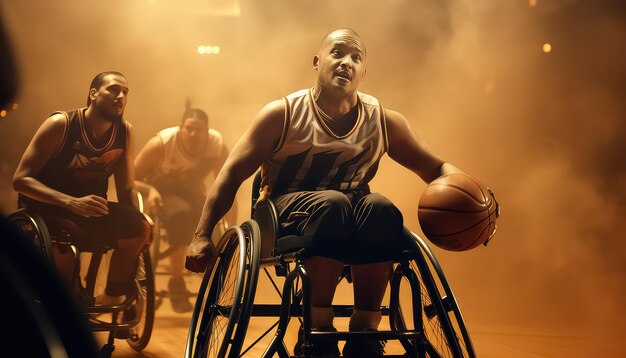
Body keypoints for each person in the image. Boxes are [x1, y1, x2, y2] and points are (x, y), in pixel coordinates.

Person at [186, 29, 497, 357]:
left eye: (356, 58)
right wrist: (202, 234)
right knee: (333, 205)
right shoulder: (282, 114)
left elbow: (437, 168)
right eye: (337, 53)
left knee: (382, 209)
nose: (346, 62)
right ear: (317, 61)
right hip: (282, 214)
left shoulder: (382, 120)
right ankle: (316, 328)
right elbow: (232, 173)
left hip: (348, 212)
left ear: (364, 72)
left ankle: (365, 332)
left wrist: (480, 199)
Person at [12, 71, 150, 308]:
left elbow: (126, 188)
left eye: (125, 92)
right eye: (113, 89)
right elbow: (21, 180)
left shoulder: (124, 132)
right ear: (93, 94)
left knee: (140, 229)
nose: (120, 96)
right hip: (47, 210)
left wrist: (140, 219)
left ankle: (114, 293)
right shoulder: (61, 124)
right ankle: (70, 296)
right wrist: (70, 202)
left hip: (92, 210)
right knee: (67, 241)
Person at [134, 107, 234, 313]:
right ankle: (176, 281)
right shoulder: (161, 144)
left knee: (211, 217)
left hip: (190, 192)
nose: (194, 134)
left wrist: (230, 225)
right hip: (161, 191)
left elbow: (226, 184)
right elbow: (130, 178)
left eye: (199, 130)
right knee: (182, 215)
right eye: (189, 129)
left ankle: (214, 280)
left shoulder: (216, 145)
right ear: (181, 128)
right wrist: (150, 190)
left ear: (207, 130)